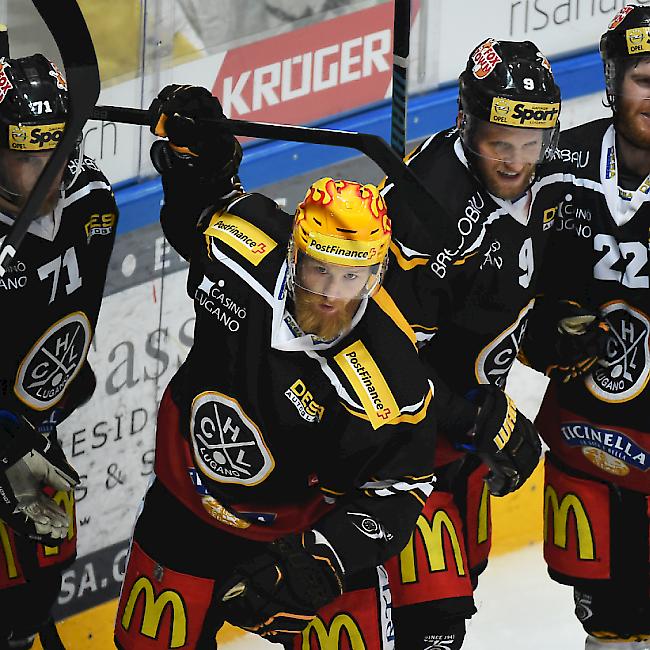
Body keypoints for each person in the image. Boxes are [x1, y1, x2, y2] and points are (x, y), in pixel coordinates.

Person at [113, 84, 438, 649]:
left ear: (376, 276)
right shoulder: (244, 245)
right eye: (318, 271)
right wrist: (203, 151)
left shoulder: (390, 373)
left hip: (300, 530)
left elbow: (400, 485)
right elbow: (198, 208)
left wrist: (326, 559)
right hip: (187, 498)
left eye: (352, 277)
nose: (332, 294)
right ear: (294, 252)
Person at [360, 39, 563, 649]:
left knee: (457, 592)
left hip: (462, 446)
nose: (516, 160)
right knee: (433, 625)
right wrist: (472, 414)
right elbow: (378, 354)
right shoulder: (430, 210)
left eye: (531, 143)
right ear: (466, 125)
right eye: (500, 141)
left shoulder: (549, 181)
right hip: (397, 448)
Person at [522, 6, 650, 649]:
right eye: (645, 77)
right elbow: (504, 292)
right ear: (611, 78)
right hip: (588, 440)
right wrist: (540, 335)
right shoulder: (560, 162)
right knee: (608, 627)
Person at [0, 54, 118, 648]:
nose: (46, 176)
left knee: (41, 579)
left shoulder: (90, 199)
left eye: (56, 152)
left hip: (29, 430)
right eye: (25, 159)